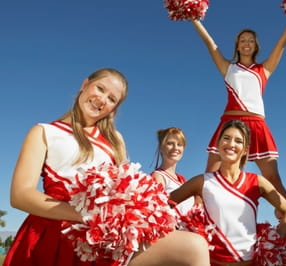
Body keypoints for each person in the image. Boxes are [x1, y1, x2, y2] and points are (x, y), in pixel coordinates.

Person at [4, 68, 210, 266]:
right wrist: (88, 216)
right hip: (56, 231)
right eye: (100, 88)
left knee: (195, 246)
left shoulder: (115, 141)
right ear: (85, 84)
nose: (102, 99)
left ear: (114, 108)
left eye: (112, 99)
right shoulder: (44, 132)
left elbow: (128, 191)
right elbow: (20, 196)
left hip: (106, 238)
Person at [190, 16, 286, 198]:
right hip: (230, 123)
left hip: (256, 124)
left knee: (272, 177)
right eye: (242, 41)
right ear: (237, 46)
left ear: (256, 47)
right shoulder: (228, 67)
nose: (246, 43)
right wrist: (194, 19)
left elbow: (281, 43)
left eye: (250, 41)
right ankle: (199, 214)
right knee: (211, 174)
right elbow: (210, 43)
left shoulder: (263, 69)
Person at [169, 119, 286, 266]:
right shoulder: (202, 181)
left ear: (246, 150)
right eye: (226, 138)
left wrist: (276, 238)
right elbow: (164, 203)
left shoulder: (257, 181)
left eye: (238, 141)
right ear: (218, 144)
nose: (231, 144)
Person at [151, 127, 197, 216]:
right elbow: (156, 214)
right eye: (170, 144)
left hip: (186, 229)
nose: (175, 148)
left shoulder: (183, 180)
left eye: (179, 144)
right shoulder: (158, 176)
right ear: (161, 147)